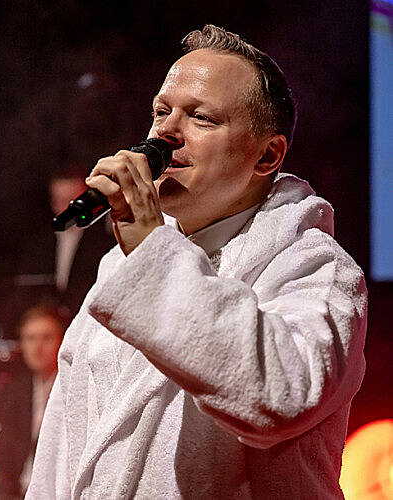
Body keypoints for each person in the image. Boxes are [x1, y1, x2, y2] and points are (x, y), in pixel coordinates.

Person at [27, 25, 367, 499]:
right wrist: (147, 257)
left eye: (201, 118)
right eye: (160, 111)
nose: (165, 132)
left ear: (267, 155)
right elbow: (60, 454)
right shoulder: (120, 268)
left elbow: (281, 397)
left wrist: (152, 255)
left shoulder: (316, 269)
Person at [0, 305, 67, 498]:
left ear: (62, 341)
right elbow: (2, 454)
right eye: (30, 338)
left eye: (46, 338)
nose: (37, 347)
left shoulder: (71, 389)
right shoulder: (14, 391)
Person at [49, 169, 115, 315]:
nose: (64, 210)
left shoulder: (104, 240)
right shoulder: (42, 241)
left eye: (71, 202)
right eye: (58, 202)